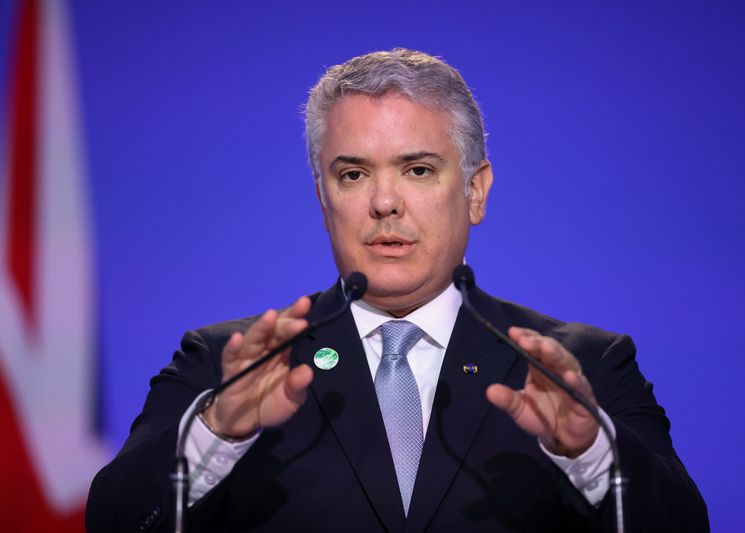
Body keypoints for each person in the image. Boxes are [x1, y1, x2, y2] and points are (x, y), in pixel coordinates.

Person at [86, 48, 708, 532]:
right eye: (353, 174)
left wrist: (592, 455)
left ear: (475, 191)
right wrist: (217, 434)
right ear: (323, 199)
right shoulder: (231, 367)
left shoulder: (583, 371)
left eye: (418, 169)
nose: (385, 203)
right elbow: (114, 523)